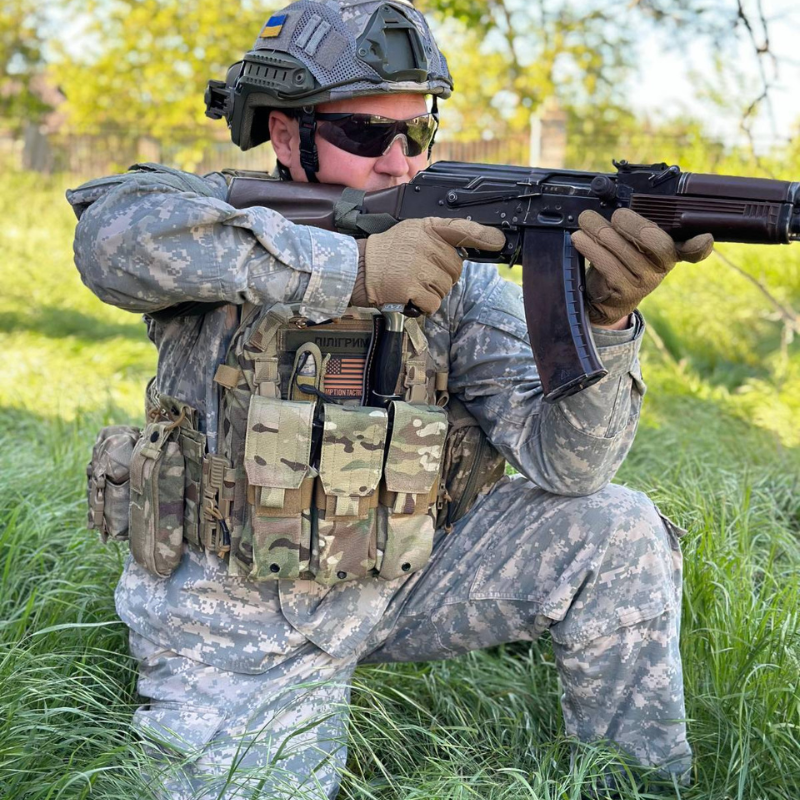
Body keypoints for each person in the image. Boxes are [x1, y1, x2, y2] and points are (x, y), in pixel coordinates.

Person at [68, 1, 714, 797]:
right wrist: (357, 272)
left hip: (407, 577)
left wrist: (606, 321)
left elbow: (569, 463)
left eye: (418, 133)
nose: (399, 161)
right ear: (283, 135)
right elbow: (108, 238)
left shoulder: (458, 270)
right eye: (369, 134)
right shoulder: (219, 227)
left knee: (616, 525)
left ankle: (637, 785)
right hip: (236, 616)